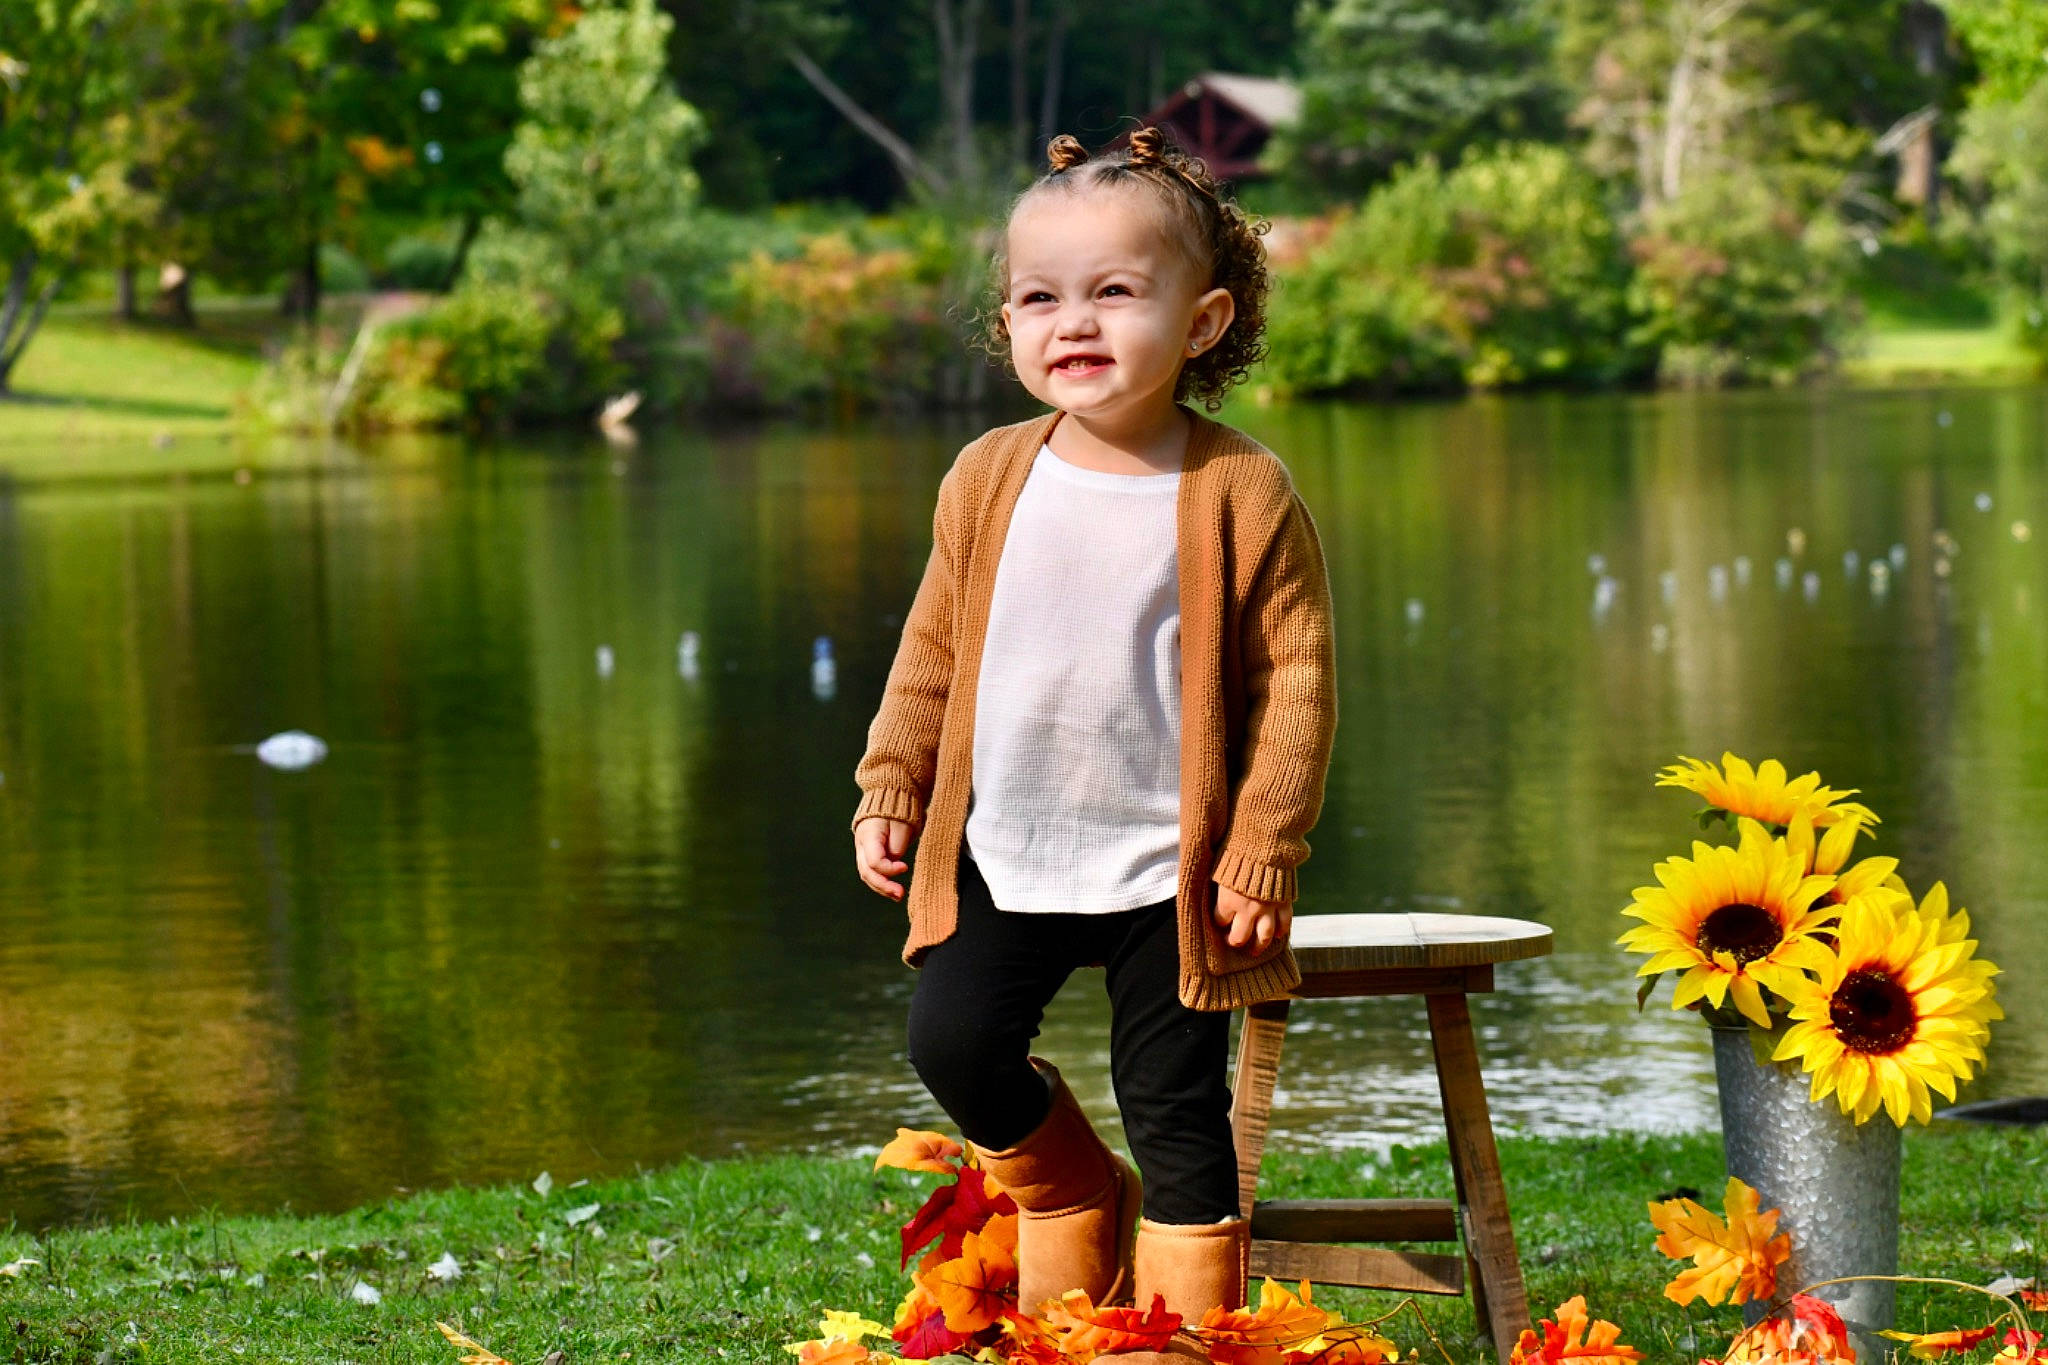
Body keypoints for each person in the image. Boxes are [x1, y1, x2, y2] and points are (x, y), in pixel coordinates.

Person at [850, 126, 1337, 1361]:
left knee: (1173, 1108)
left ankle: (1185, 1338)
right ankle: (1068, 1195)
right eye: (1037, 297)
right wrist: (889, 786)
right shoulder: (987, 476)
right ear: (1005, 323)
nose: (1072, 321)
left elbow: (1296, 684)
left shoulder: (1241, 489)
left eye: (1114, 293)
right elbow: (929, 653)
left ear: (1204, 319)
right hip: (1004, 844)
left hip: (1168, 872)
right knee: (952, 1043)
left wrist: (1263, 847)